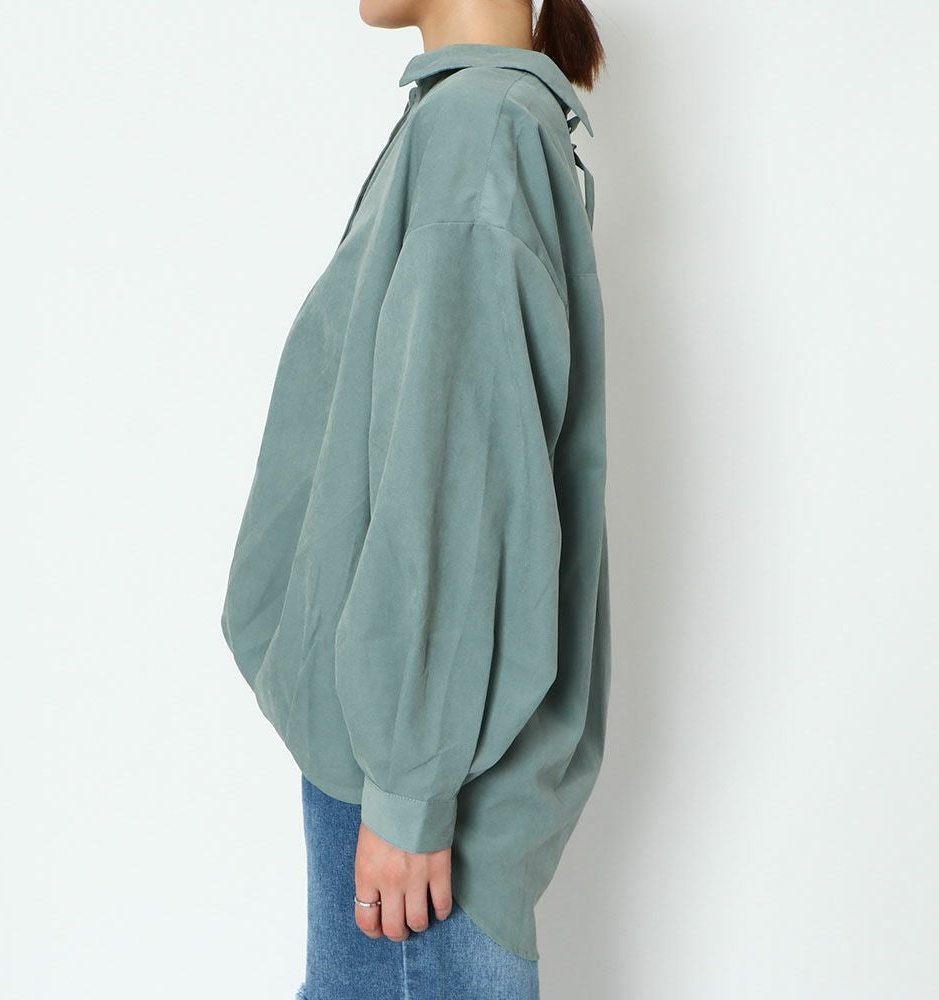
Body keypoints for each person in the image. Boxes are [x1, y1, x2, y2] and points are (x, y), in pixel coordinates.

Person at [220, 2, 611, 996]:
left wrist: (408, 788)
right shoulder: (480, 121)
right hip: (398, 765)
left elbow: (456, 476)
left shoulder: (477, 130)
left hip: (412, 792)